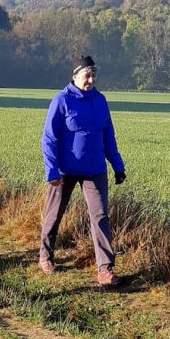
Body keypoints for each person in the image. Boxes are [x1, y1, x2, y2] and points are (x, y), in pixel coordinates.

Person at [39, 55, 126, 286]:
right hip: (65, 170)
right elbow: (49, 138)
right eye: (87, 75)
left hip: (94, 169)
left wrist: (118, 166)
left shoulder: (100, 101)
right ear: (75, 77)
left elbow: (108, 136)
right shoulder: (62, 101)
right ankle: (46, 255)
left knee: (100, 217)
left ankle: (105, 269)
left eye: (94, 75)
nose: (91, 79)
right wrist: (52, 171)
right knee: (55, 214)